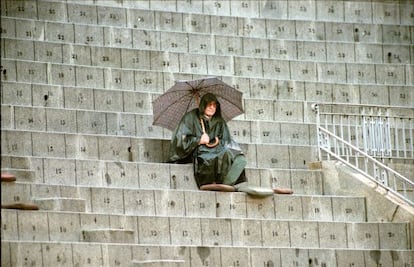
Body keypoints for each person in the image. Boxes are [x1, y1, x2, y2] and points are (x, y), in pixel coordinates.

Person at [168, 93, 293, 196]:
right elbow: (180, 139)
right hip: (199, 150)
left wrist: (230, 148)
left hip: (216, 148)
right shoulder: (190, 117)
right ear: (203, 105)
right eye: (209, 105)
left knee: (232, 154)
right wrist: (198, 140)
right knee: (211, 156)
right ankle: (212, 182)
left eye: (214, 105)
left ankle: (231, 181)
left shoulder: (219, 120)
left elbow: (226, 139)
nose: (212, 108)